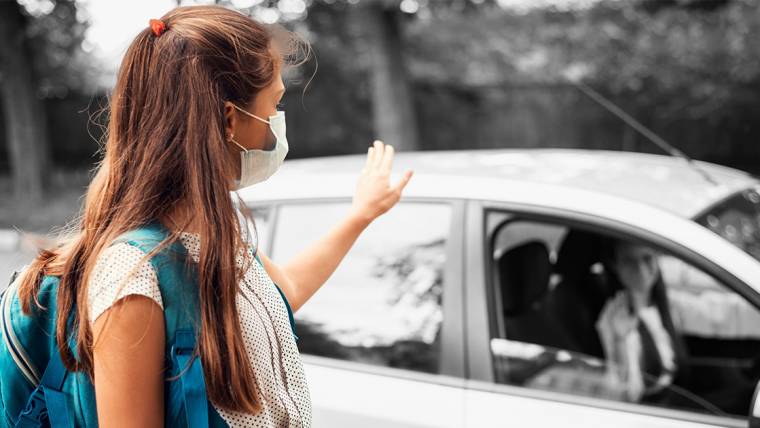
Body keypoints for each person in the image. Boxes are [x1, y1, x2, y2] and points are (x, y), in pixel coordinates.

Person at [10, 5, 413, 427]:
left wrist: (361, 214)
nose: (277, 126)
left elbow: (282, 292)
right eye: (274, 104)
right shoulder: (132, 279)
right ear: (227, 118)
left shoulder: (213, 235)